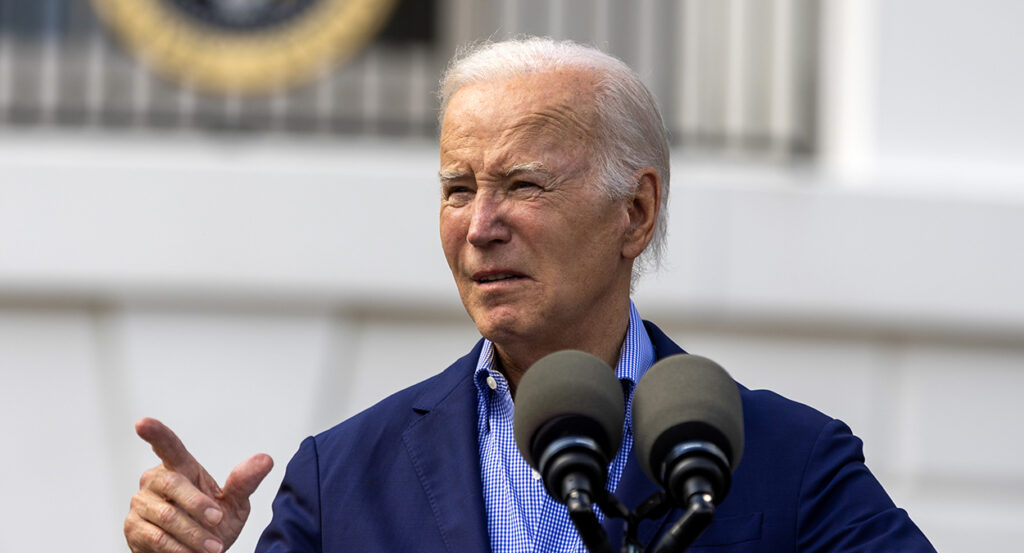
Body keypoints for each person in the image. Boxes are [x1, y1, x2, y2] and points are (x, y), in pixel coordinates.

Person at [124, 37, 936, 553]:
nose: (480, 225)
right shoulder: (342, 478)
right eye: (456, 187)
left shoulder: (790, 459)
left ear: (636, 211)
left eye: (522, 183)